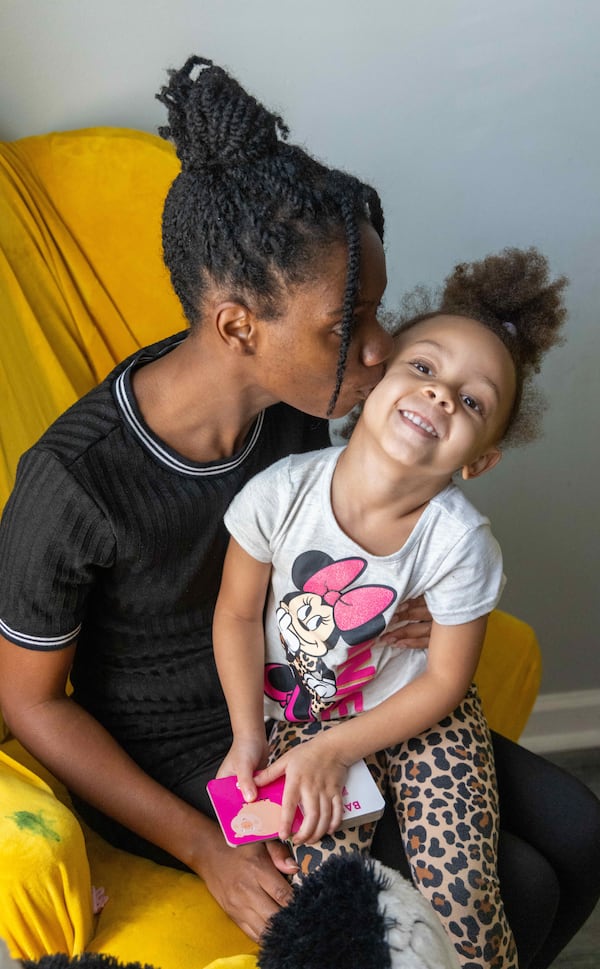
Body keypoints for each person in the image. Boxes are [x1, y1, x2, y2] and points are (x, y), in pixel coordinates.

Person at [0, 54, 597, 969]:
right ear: (240, 327)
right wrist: (206, 846)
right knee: (521, 883)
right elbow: (31, 701)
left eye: (375, 312)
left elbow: (380, 521)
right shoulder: (74, 483)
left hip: (325, 684)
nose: (380, 348)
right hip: (202, 751)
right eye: (344, 323)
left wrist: (416, 595)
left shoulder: (299, 408)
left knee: (580, 834)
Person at [212, 246, 564, 969]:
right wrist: (251, 736)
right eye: (426, 368)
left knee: (464, 892)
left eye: (472, 401)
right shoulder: (279, 495)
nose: (441, 395)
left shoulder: (461, 543)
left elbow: (442, 682)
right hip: (306, 719)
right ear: (375, 381)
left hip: (424, 723)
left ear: (480, 459)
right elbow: (238, 616)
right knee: (324, 896)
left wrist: (339, 748)